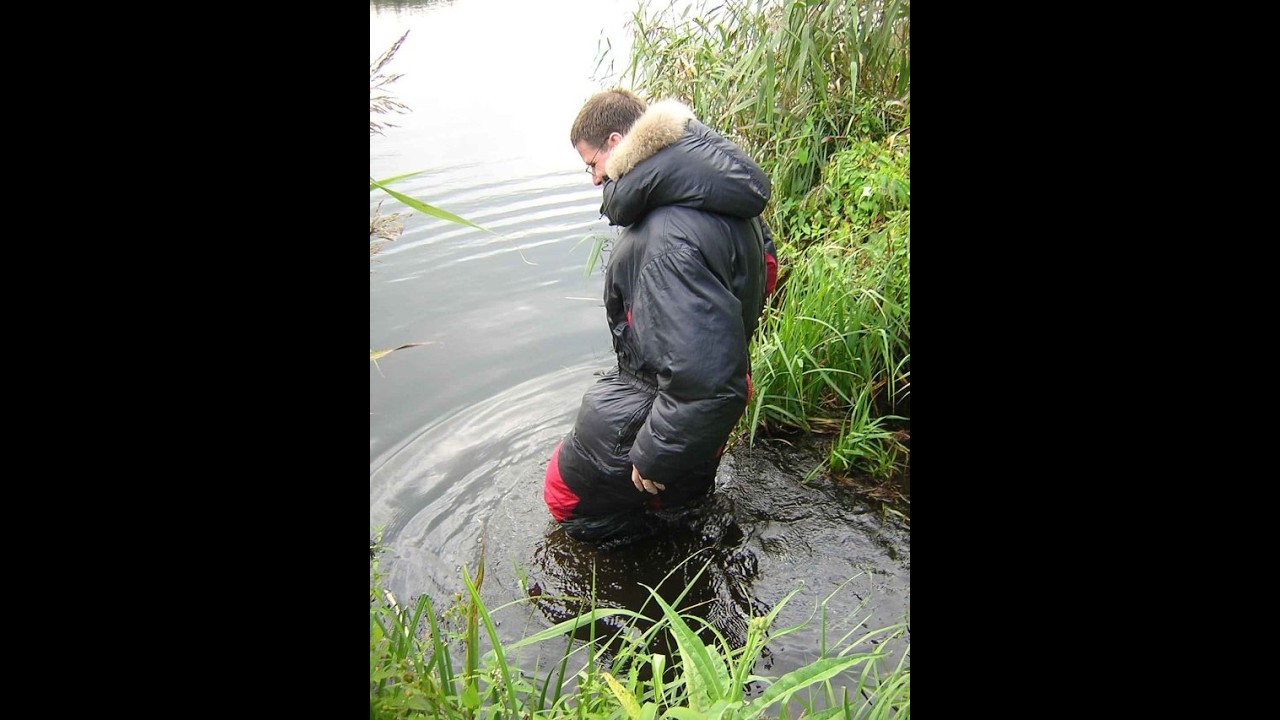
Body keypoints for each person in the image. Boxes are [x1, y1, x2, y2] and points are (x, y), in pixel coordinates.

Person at [542, 88, 778, 543]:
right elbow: (765, 272)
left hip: (666, 405)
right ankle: (687, 561)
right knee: (681, 506)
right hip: (698, 407)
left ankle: (633, 587)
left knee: (562, 496)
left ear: (615, 142)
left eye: (591, 164)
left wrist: (654, 452)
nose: (594, 179)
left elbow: (706, 379)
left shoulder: (666, 237)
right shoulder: (724, 196)